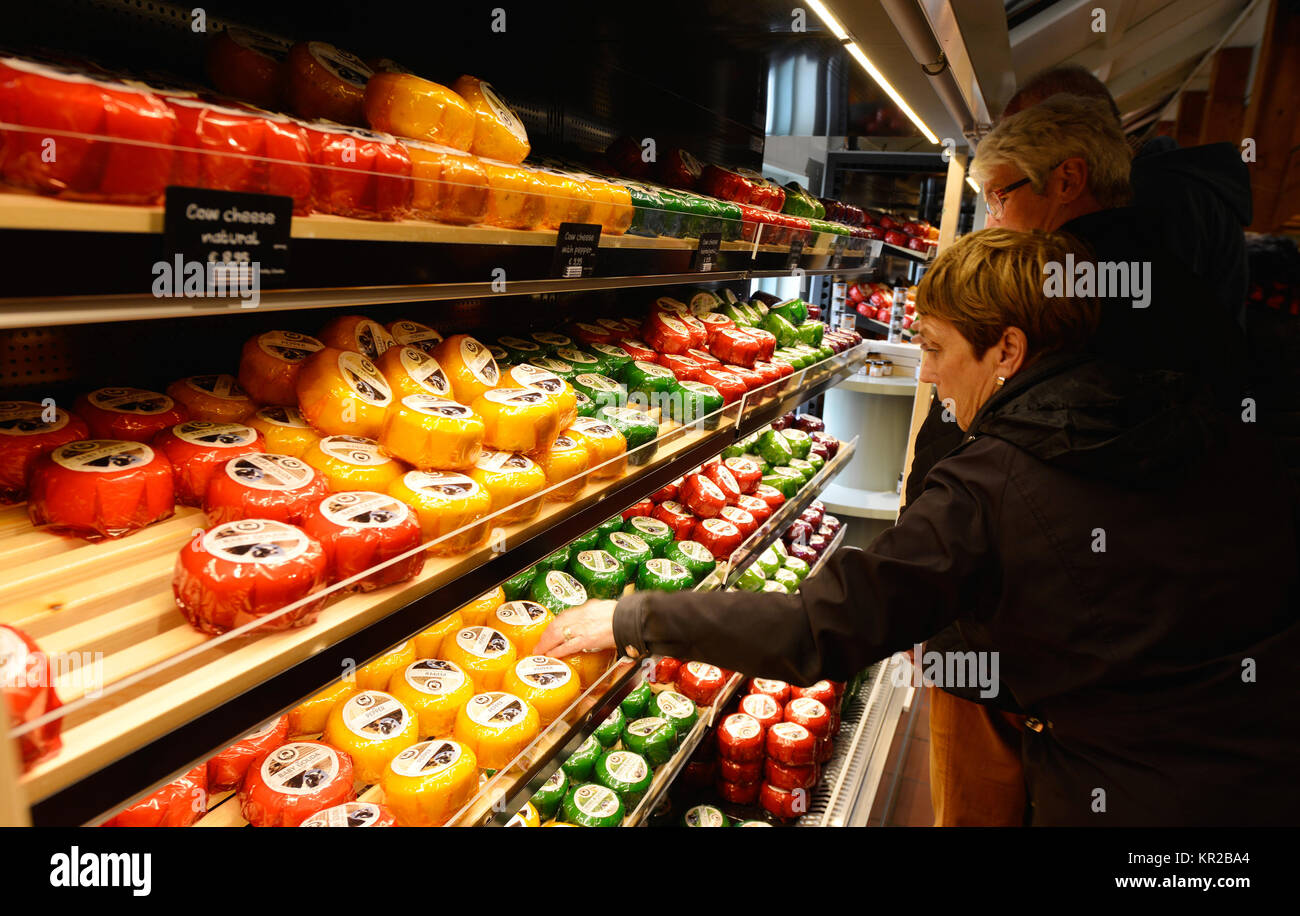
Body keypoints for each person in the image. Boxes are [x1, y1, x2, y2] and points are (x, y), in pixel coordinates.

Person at [537, 228, 1300, 827]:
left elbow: (822, 627)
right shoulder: (1184, 414)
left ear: (1008, 350)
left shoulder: (996, 479)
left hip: (1128, 788)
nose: (927, 374)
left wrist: (632, 615)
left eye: (935, 350)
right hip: (1254, 767)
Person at [907, 92, 1254, 824]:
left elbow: (973, 461)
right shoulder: (1185, 280)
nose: (993, 216)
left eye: (1000, 194)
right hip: (1147, 663)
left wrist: (935, 612)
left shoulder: (1045, 286)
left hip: (1006, 644)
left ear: (1066, 179)